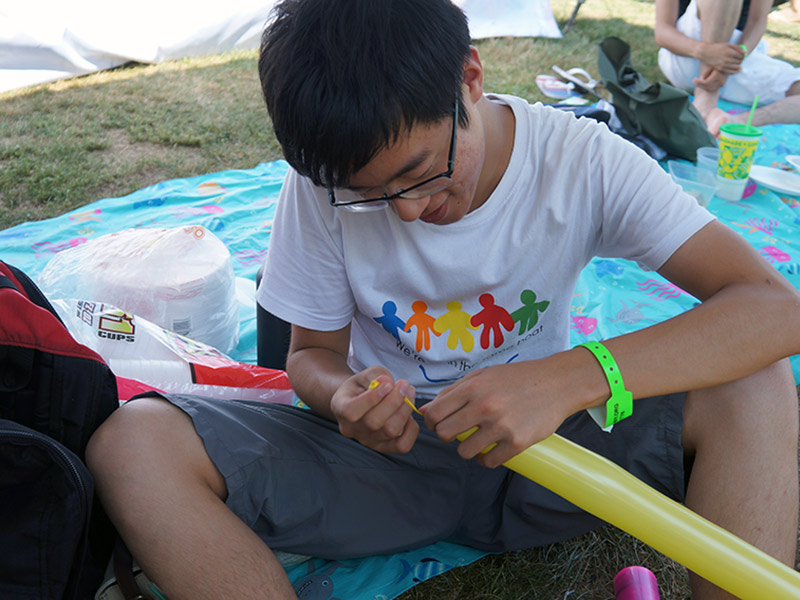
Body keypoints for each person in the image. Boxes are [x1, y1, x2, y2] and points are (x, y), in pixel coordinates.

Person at [86, 1, 800, 599]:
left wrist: (569, 378)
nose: (404, 213)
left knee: (754, 379)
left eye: (421, 172)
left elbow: (774, 309)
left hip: (555, 451)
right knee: (133, 439)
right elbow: (310, 356)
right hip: (393, 466)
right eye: (366, 195)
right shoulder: (317, 191)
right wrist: (344, 399)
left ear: (470, 80)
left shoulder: (581, 160)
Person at [655, 0, 800, 135]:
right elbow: (662, 31)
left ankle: (733, 122)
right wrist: (705, 51)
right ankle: (706, 96)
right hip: (688, 53)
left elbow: (757, 22)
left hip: (738, 58)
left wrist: (733, 60)